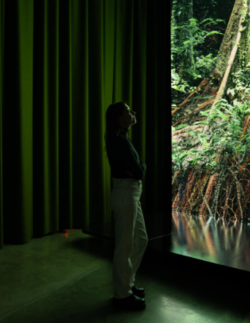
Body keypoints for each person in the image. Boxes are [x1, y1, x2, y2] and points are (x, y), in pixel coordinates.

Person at [104, 101, 148, 311]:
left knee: (141, 239)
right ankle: (122, 295)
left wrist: (138, 167)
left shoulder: (121, 138)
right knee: (125, 246)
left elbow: (137, 169)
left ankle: (128, 285)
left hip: (130, 193)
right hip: (125, 193)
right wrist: (140, 166)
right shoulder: (119, 141)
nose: (133, 113)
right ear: (118, 118)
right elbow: (140, 170)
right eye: (128, 111)